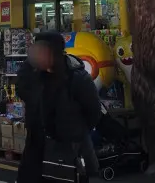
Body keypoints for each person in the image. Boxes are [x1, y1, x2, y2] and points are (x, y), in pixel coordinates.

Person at [15, 32, 104, 183]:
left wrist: (75, 130)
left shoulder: (77, 77)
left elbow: (94, 111)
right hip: (36, 147)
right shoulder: (31, 73)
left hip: (69, 149)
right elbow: (21, 88)